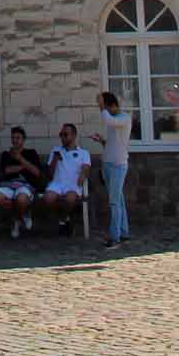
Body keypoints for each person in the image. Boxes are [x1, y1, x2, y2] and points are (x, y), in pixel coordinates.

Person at [90, 89, 133, 246]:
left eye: (107, 108)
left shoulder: (124, 118)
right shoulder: (113, 120)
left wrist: (101, 105)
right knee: (118, 199)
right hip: (108, 163)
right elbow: (112, 144)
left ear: (112, 105)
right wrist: (101, 141)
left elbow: (108, 120)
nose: (106, 112)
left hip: (118, 165)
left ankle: (114, 236)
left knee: (114, 201)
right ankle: (123, 231)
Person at [41, 121, 92, 234]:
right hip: (57, 183)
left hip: (73, 184)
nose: (62, 137)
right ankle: (64, 219)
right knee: (48, 198)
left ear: (73, 136)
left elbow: (86, 168)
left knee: (70, 199)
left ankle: (63, 218)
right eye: (61, 134)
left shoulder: (83, 153)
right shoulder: (55, 150)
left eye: (65, 134)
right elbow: (49, 173)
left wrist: (83, 174)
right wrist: (55, 159)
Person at [0, 126, 45, 238]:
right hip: (9, 184)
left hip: (26, 185)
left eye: (18, 137)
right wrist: (25, 166)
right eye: (13, 138)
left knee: (21, 200)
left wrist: (20, 159)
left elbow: (37, 173)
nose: (15, 140)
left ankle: (17, 220)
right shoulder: (6, 155)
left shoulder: (31, 153)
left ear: (23, 139)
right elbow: (7, 170)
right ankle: (23, 213)